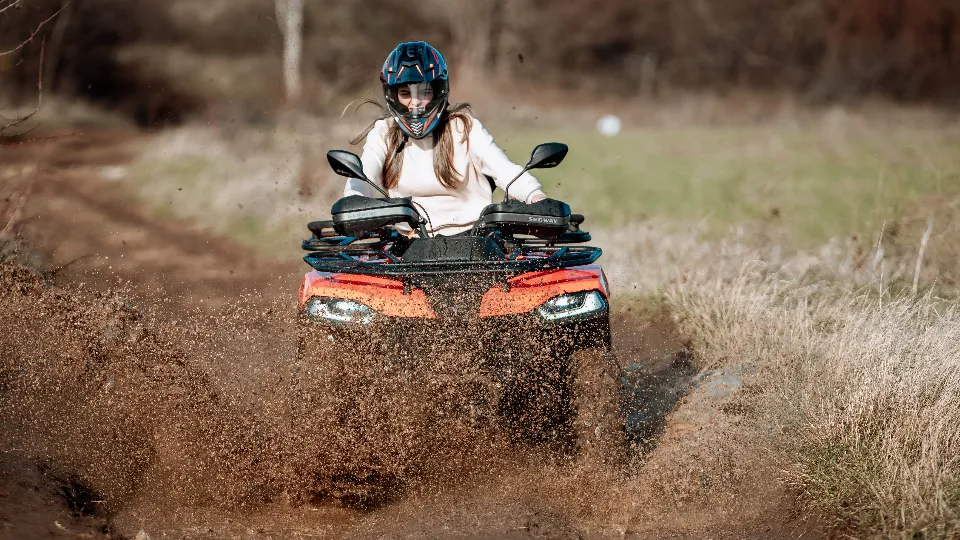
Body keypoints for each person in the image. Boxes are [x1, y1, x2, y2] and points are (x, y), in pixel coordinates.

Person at [344, 40, 547, 237]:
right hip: (410, 243)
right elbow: (365, 176)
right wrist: (354, 199)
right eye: (405, 93)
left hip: (475, 239)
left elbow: (504, 170)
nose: (415, 103)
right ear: (392, 96)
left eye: (424, 92)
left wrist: (535, 196)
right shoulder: (384, 132)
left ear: (439, 91)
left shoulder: (464, 128)